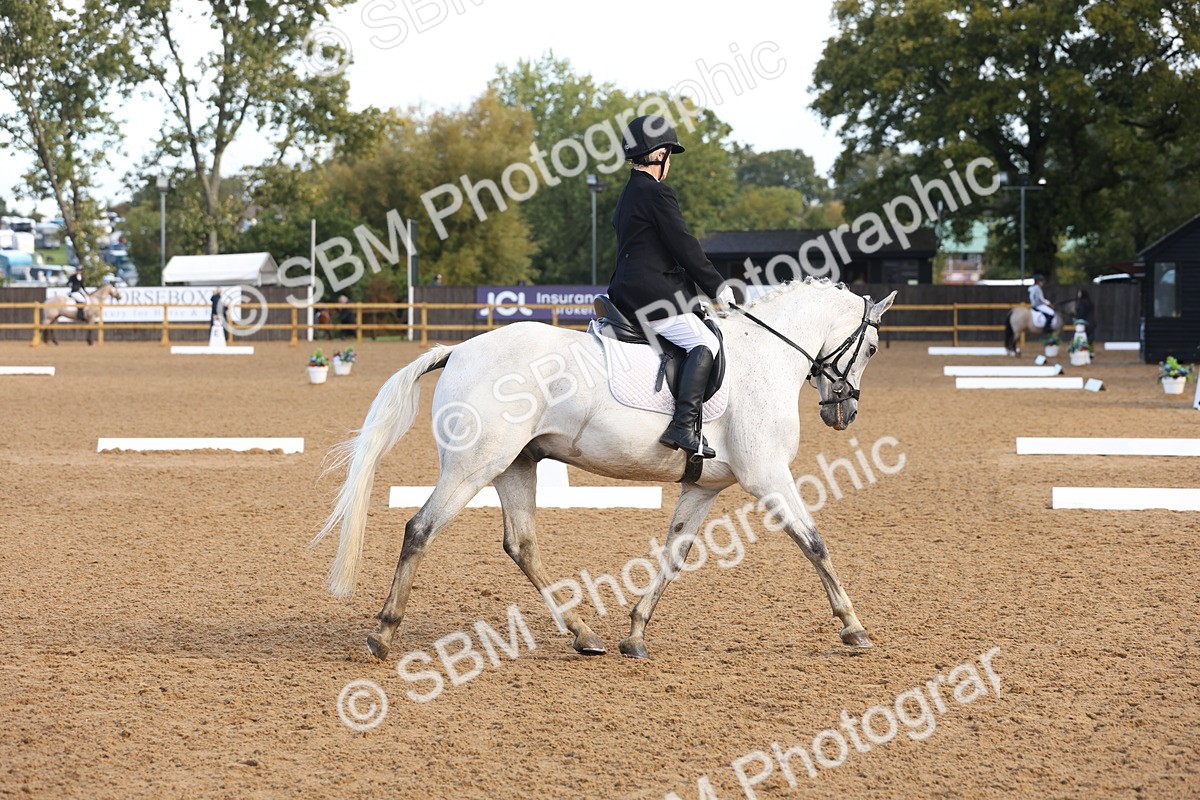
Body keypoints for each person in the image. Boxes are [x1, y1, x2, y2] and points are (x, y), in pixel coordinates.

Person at [606, 114, 735, 460]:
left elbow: (658, 252)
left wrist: (694, 298)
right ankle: (683, 425)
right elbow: (684, 245)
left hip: (627, 290)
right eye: (669, 156)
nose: (670, 163)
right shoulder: (656, 192)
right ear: (660, 154)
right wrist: (716, 287)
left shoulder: (628, 193)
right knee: (704, 342)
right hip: (650, 295)